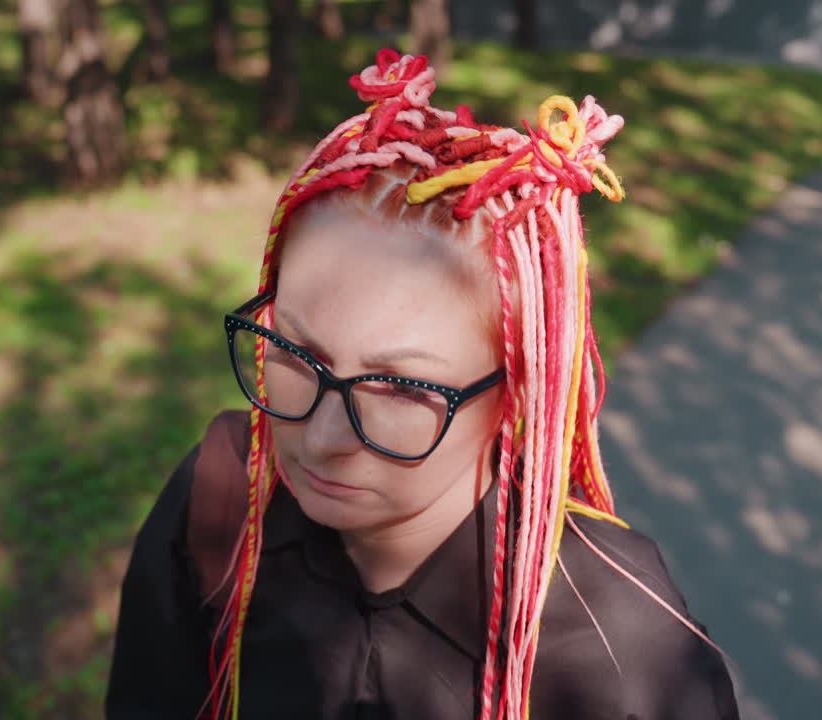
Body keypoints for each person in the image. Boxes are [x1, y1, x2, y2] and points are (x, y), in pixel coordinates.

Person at [106, 49, 740, 720]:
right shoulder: (219, 504)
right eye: (294, 350)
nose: (321, 440)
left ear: (515, 390)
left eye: (404, 387)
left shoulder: (624, 653)